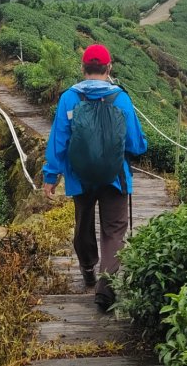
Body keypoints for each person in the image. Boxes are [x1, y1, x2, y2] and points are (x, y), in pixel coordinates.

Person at [42, 43, 148, 311]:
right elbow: (135, 144)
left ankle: (88, 267)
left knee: (83, 224)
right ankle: (106, 288)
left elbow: (59, 140)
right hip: (115, 177)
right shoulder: (121, 98)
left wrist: (51, 175)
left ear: (83, 69)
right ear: (109, 68)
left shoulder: (69, 98)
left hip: (81, 176)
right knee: (114, 230)